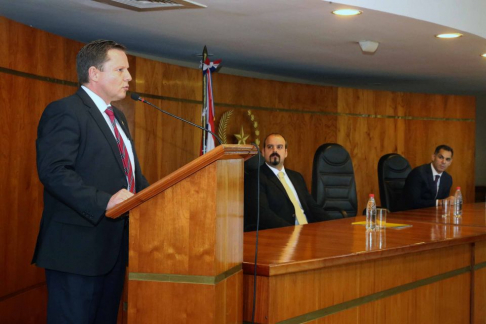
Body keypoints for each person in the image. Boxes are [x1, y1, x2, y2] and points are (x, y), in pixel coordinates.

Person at [32, 40, 149, 324]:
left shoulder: (117, 117)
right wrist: (104, 201)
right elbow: (54, 171)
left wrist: (162, 197)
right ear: (94, 73)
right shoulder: (65, 111)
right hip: (76, 252)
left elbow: (130, 176)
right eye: (120, 69)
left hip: (113, 251)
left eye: (128, 70)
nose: (129, 77)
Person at [244, 133, 331, 231]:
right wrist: (293, 230)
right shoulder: (255, 178)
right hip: (282, 235)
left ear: (286, 152)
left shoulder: (297, 177)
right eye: (270, 147)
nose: (274, 151)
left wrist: (333, 224)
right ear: (263, 152)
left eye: (279, 147)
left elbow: (312, 207)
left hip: (308, 233)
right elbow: (263, 214)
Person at [404, 145, 454, 210]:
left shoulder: (447, 179)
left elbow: (443, 203)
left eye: (447, 159)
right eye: (441, 157)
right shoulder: (418, 173)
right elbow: (413, 202)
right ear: (433, 157)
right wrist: (439, 202)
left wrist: (449, 201)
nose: (444, 162)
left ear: (450, 162)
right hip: (409, 214)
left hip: (431, 215)